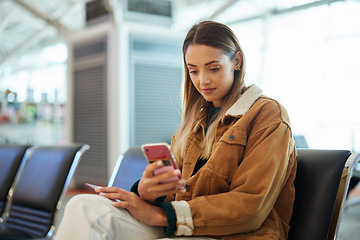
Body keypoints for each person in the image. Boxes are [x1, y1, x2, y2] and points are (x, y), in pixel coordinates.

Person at [55, 21, 297, 240]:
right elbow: (179, 193)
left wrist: (164, 216)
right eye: (193, 70)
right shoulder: (196, 121)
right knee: (82, 207)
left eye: (213, 68)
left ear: (237, 61)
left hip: (238, 235)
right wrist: (148, 193)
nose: (203, 81)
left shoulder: (268, 115)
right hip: (185, 230)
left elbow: (250, 207)